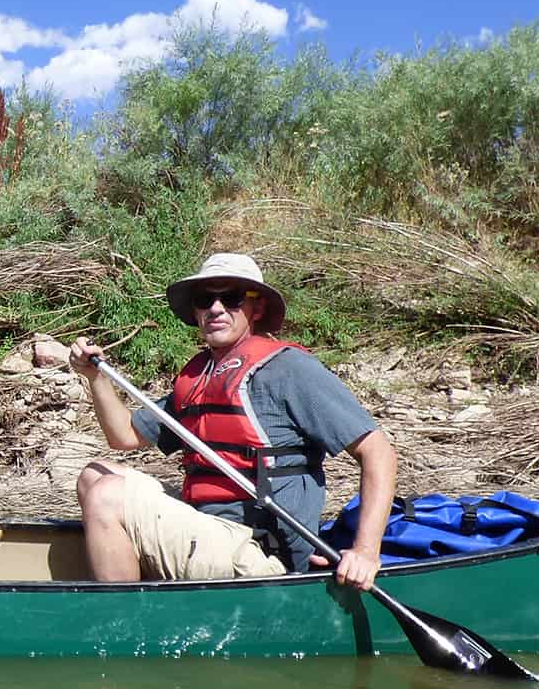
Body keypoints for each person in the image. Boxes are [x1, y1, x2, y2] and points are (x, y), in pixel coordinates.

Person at [67, 252, 396, 589]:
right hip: (209, 530)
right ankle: (139, 590)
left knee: (107, 495)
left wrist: (366, 551)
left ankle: (121, 628)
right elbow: (123, 435)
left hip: (260, 552)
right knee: (94, 475)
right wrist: (96, 377)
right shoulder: (199, 377)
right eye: (204, 299)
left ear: (257, 308)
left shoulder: (290, 370)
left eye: (232, 298)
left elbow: (378, 452)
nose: (216, 308)